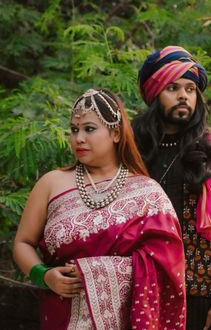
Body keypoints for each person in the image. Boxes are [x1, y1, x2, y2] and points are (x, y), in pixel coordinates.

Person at [13, 88, 186, 330]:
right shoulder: (51, 184)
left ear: (115, 133)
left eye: (89, 129)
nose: (78, 138)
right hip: (60, 315)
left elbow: (166, 266)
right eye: (74, 129)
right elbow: (22, 243)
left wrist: (94, 272)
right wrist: (44, 275)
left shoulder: (148, 193)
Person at [132, 46, 211, 330]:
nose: (183, 95)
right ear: (154, 93)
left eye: (190, 88)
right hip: (139, 289)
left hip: (200, 297)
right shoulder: (132, 152)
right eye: (172, 87)